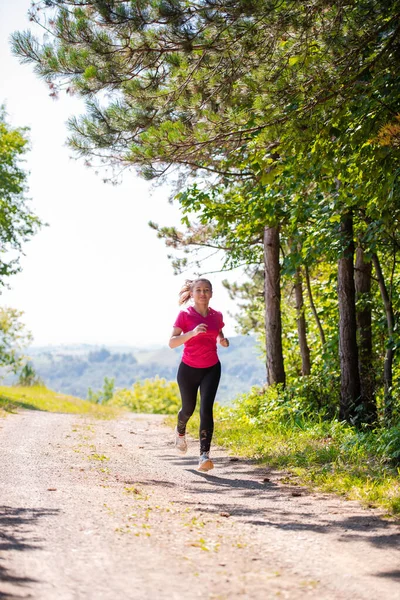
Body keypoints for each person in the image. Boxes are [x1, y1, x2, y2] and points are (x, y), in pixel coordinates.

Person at [169, 278, 229, 472]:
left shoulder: (216, 316)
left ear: (211, 294)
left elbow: (218, 331)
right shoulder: (184, 315)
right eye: (199, 290)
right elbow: (172, 342)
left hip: (211, 367)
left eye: (206, 290)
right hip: (188, 368)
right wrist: (192, 333)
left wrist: (222, 340)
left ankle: (204, 455)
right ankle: (180, 431)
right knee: (188, 409)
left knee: (206, 409)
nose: (203, 294)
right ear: (192, 294)